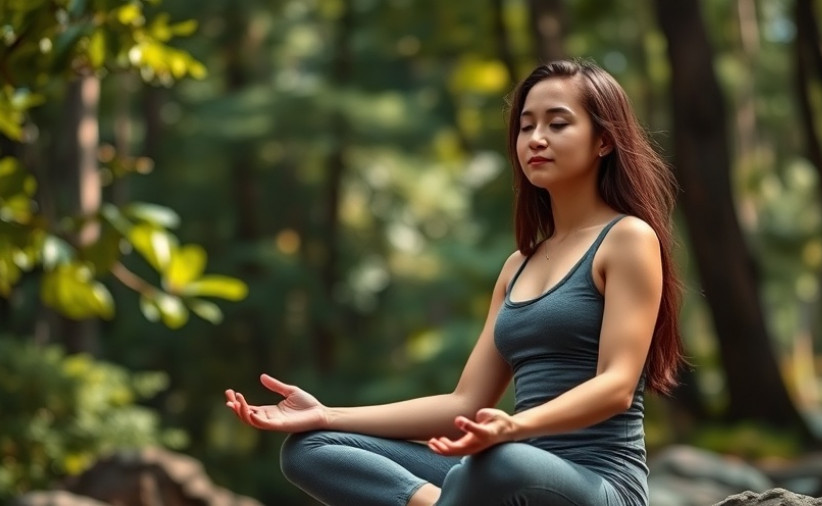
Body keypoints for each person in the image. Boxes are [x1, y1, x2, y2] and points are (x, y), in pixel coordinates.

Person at [225, 58, 683, 506]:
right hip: (503, 474)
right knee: (311, 447)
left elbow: (617, 385)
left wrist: (514, 428)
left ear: (603, 140)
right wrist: (327, 414)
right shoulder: (517, 267)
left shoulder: (626, 238)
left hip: (598, 485)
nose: (536, 139)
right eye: (526, 126)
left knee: (497, 463)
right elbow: (464, 403)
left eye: (557, 124)